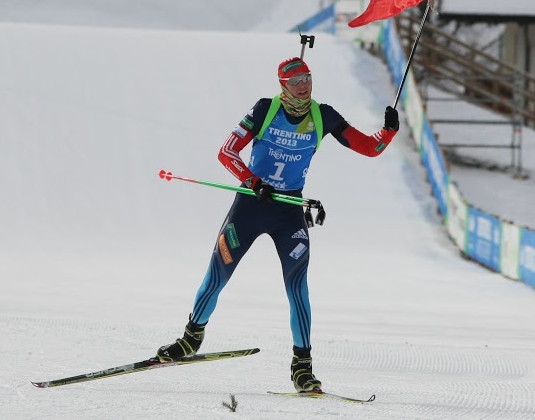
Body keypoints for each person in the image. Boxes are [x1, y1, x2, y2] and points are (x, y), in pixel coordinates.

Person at [157, 56, 399, 392]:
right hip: (251, 206)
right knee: (218, 274)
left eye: (309, 78)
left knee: (298, 287)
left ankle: (302, 366)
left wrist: (388, 131)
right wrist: (254, 182)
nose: (305, 85)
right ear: (283, 85)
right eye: (297, 80)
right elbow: (226, 152)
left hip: (289, 210)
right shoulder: (264, 109)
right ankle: (190, 339)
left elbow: (370, 148)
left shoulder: (323, 115)